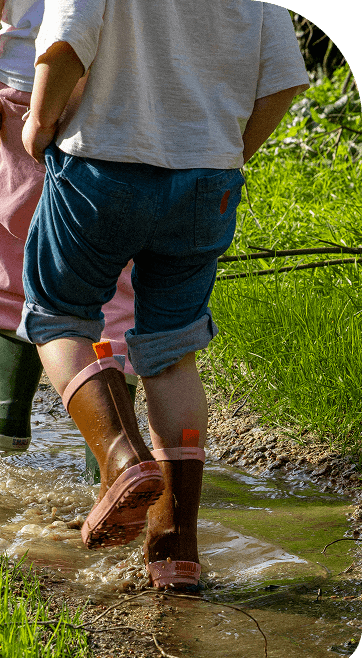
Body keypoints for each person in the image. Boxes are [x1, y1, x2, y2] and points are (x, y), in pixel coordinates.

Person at [19, 0, 310, 589]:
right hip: (209, 177)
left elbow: (66, 43)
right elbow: (283, 80)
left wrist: (40, 122)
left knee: (58, 316)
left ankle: (123, 460)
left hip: (100, 164)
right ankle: (176, 554)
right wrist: (231, 150)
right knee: (172, 352)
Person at [0, 0, 138, 458]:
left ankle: (6, 411)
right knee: (116, 269)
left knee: (19, 240)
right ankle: (114, 457)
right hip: (125, 87)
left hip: (28, 79)